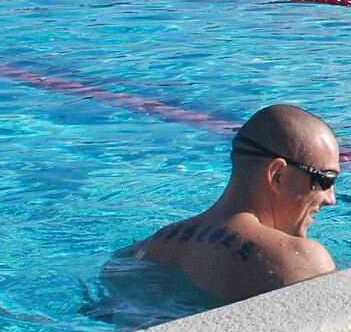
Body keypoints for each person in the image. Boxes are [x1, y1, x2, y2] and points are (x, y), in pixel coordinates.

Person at [128, 104, 340, 302]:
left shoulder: (148, 249)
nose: (331, 199)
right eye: (326, 179)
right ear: (278, 175)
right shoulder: (302, 263)